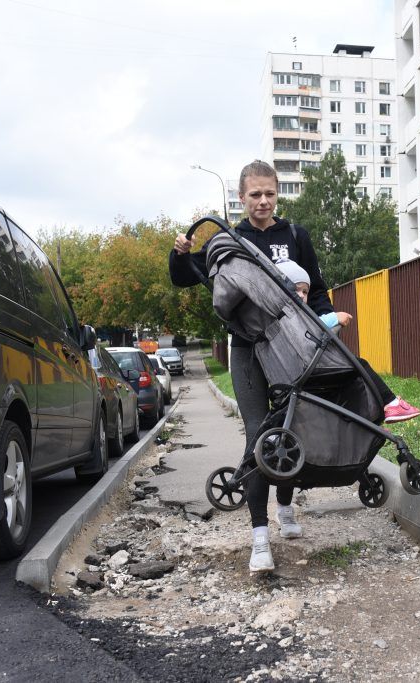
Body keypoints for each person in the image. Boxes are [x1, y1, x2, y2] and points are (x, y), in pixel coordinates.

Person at [169, 160, 329, 574]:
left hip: (293, 349)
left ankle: (286, 507)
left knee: (292, 429)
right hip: (247, 350)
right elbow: (186, 276)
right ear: (241, 198)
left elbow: (318, 291)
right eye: (254, 194)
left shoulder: (295, 236)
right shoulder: (229, 240)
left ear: (278, 195)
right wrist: (178, 254)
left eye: (269, 193)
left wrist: (328, 325)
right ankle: (260, 537)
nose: (262, 201)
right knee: (259, 435)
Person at [273, 259, 420, 424]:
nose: (301, 295)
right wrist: (334, 317)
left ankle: (368, 420)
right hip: (309, 367)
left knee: (347, 381)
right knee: (358, 366)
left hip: (293, 370)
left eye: (305, 291)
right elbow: (313, 326)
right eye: (295, 289)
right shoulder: (289, 313)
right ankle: (391, 403)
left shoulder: (274, 315)